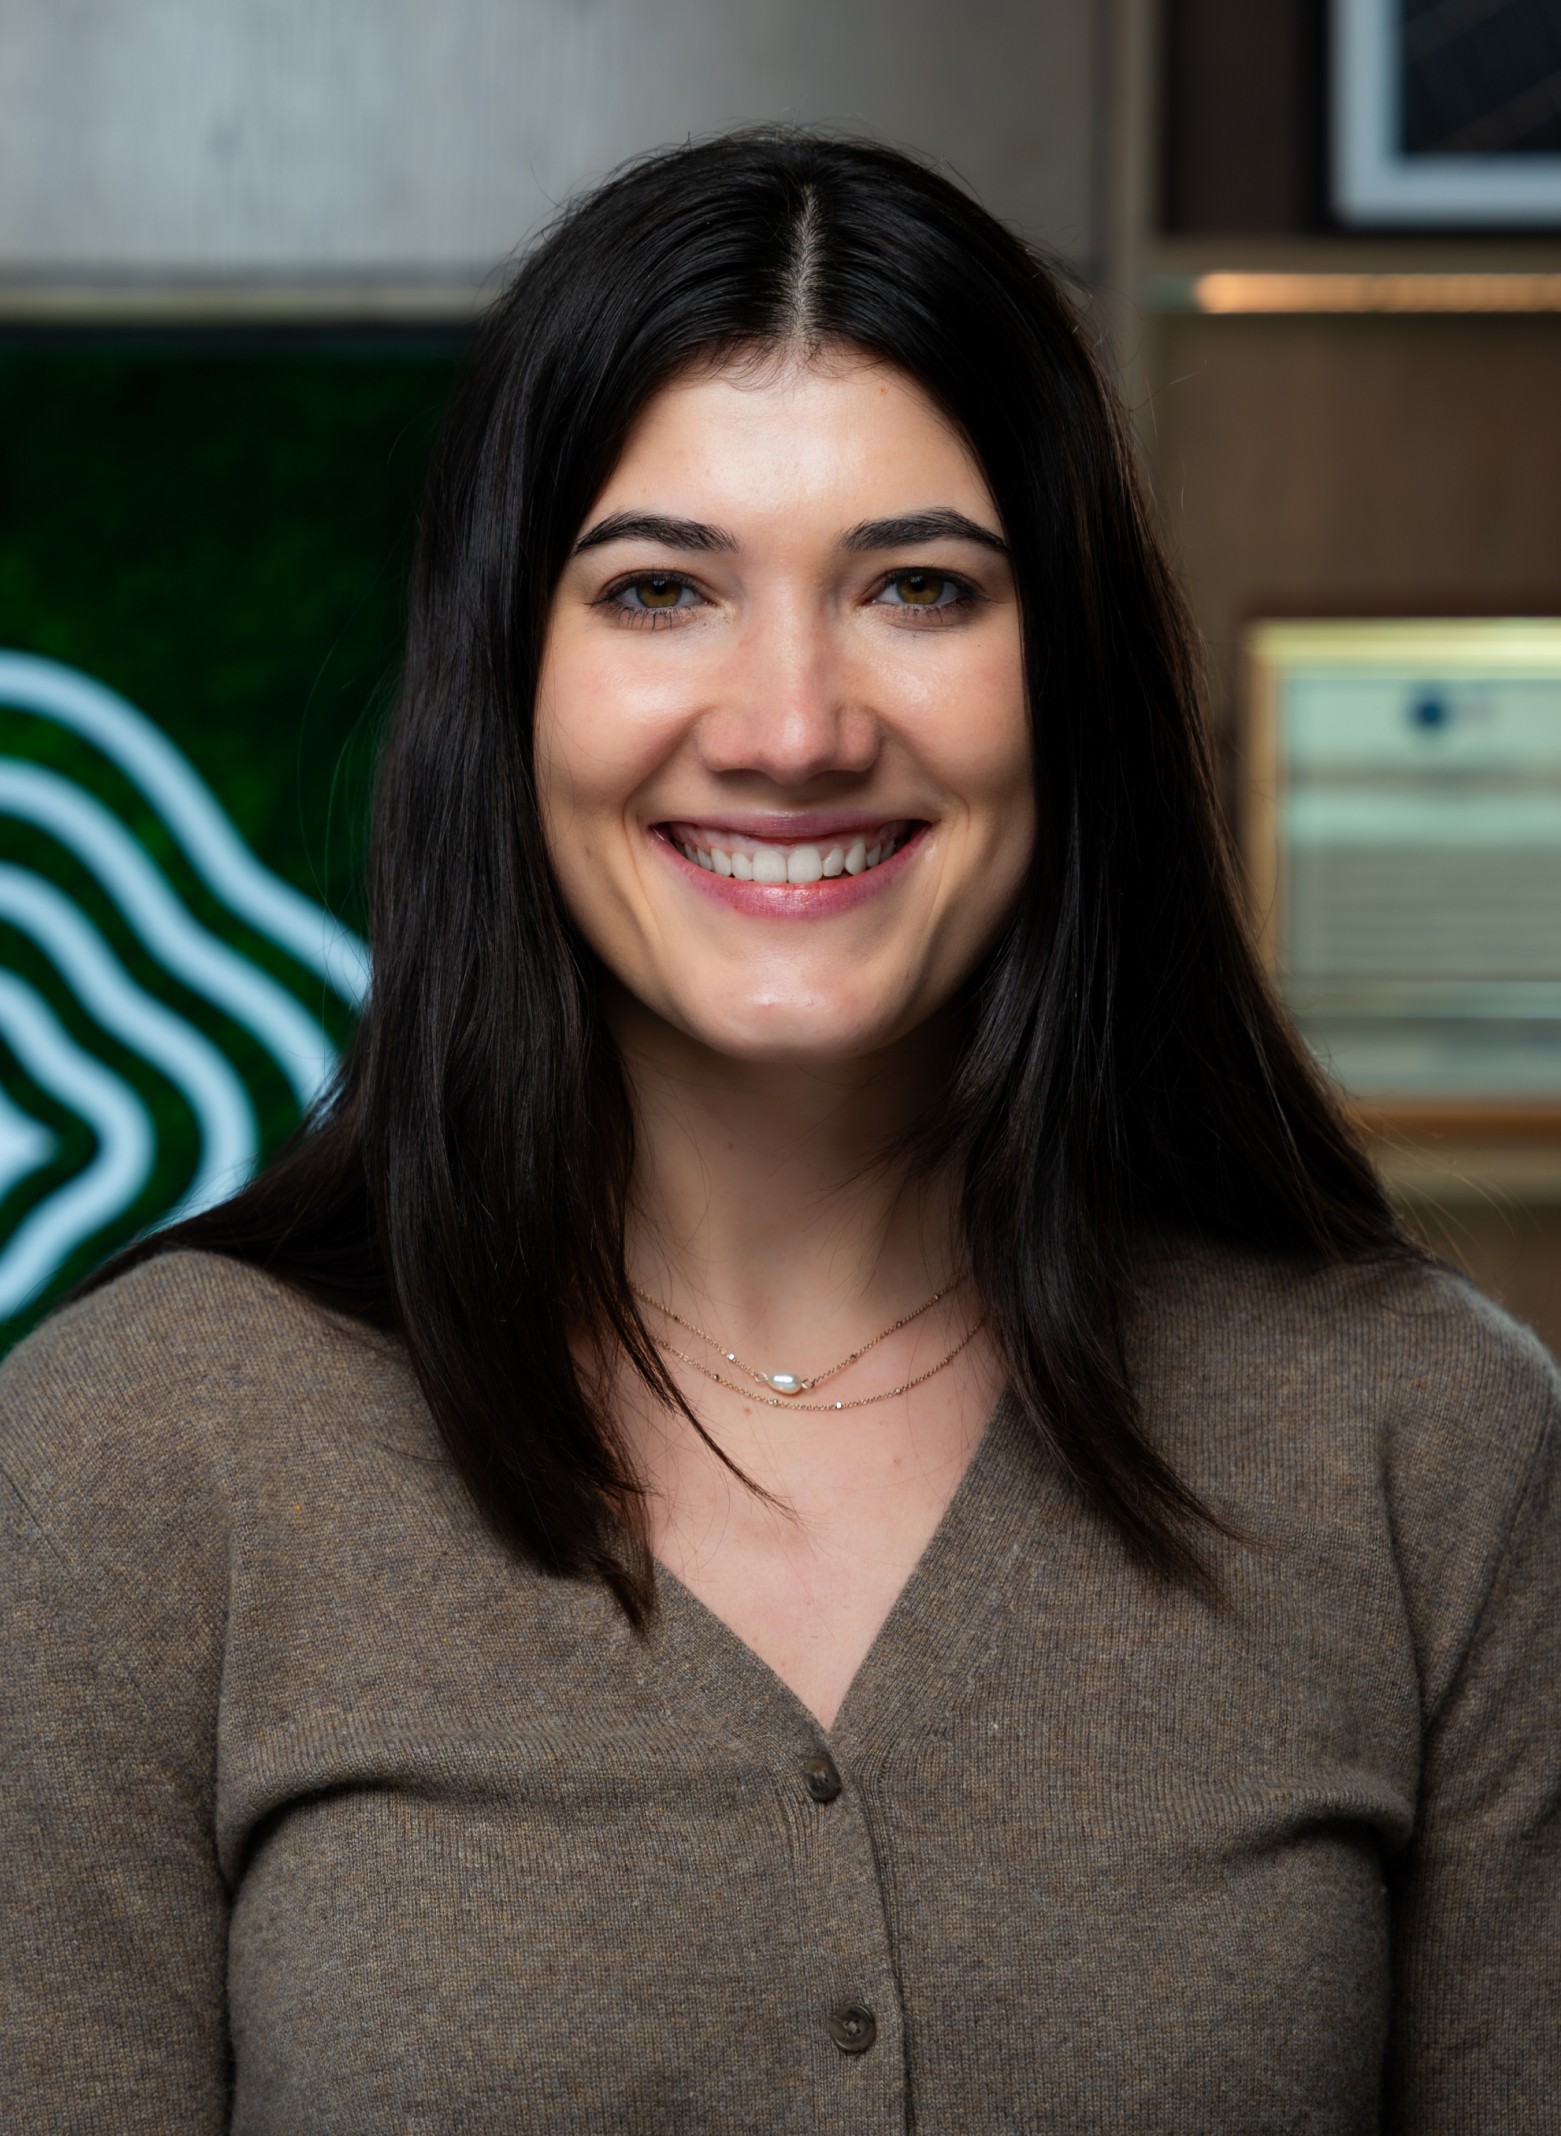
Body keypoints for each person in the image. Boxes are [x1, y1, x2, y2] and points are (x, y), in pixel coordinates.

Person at [2, 128, 1556, 2134]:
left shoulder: (1429, 1450)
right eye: (660, 591)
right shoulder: (133, 1458)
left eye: (919, 588)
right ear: (505, 680)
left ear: (1068, 676)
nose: (795, 725)